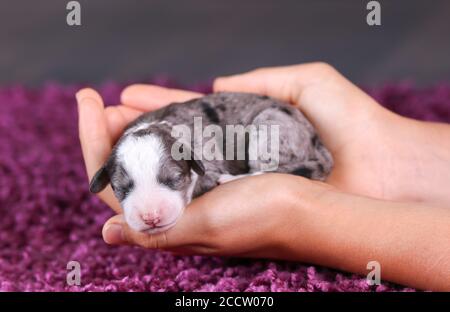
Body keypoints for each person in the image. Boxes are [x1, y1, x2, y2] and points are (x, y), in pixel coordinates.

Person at [77, 63, 450, 291]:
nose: (149, 212)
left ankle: (285, 167)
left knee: (263, 135)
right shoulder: (133, 145)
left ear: (191, 164)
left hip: (272, 129)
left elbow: (210, 171)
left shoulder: (193, 149)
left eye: (171, 181)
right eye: (126, 190)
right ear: (108, 178)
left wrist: (301, 215)